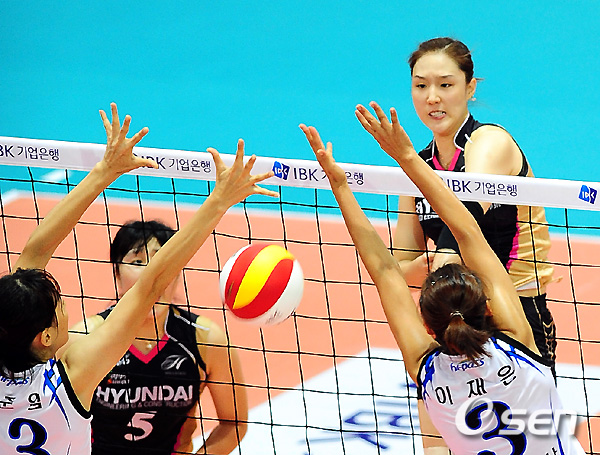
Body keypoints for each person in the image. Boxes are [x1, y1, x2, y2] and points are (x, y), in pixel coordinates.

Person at [0, 103, 277, 455]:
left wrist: (104, 171)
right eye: (60, 308)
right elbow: (152, 284)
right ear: (47, 336)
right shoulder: (74, 373)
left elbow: (33, 256)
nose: (66, 308)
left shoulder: (21, 343)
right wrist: (219, 201)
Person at [300, 111, 584, 454]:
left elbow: (385, 272)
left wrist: (339, 186)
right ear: (489, 307)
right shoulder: (518, 345)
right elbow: (467, 231)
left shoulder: (428, 372)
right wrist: (407, 156)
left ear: (427, 326)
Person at [368, 38, 555, 374]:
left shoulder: (490, 142)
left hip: (516, 316)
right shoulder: (418, 166)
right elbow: (401, 267)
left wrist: (440, 261)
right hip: (453, 317)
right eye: (421, 86)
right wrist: (426, 268)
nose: (432, 97)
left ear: (470, 88)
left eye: (445, 85)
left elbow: (465, 213)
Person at [63, 219, 248, 455]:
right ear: (116, 272)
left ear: (177, 272)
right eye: (137, 262)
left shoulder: (206, 339)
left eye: (162, 260)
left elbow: (234, 424)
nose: (151, 273)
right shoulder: (82, 339)